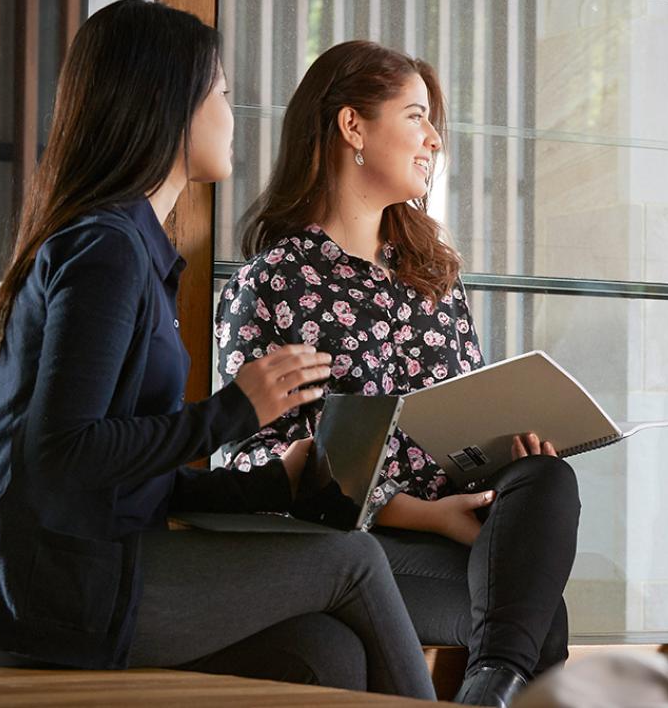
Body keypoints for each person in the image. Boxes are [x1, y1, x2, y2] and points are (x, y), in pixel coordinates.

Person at [0, 0, 434, 699]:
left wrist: (270, 484)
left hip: (52, 574)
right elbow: (65, 454)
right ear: (171, 102)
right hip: (44, 587)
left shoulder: (125, 246)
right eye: (223, 94)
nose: (233, 115)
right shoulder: (106, 251)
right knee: (351, 559)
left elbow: (122, 471)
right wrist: (235, 412)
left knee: (325, 656)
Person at [215, 39, 580, 707]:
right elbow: (249, 464)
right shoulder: (272, 284)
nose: (434, 139)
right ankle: (491, 688)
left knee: (548, 475)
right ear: (353, 125)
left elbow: (465, 416)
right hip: (357, 547)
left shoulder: (435, 274)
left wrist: (509, 448)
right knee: (540, 615)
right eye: (415, 116)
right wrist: (425, 514)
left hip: (464, 525)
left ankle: (488, 686)